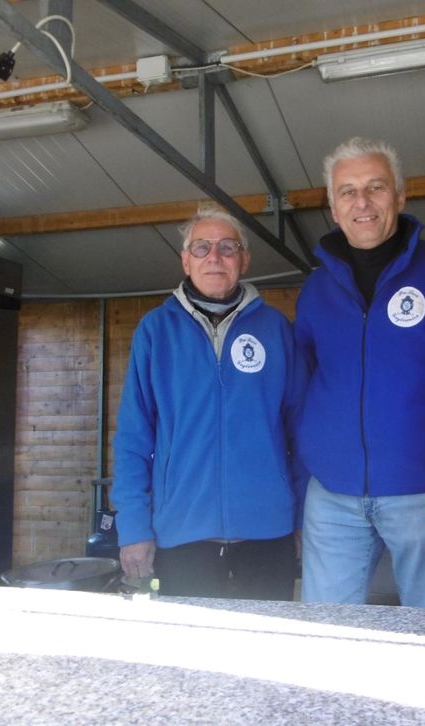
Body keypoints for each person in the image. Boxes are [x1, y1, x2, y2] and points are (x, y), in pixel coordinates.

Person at [294, 137, 425, 607]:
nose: (362, 202)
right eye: (347, 191)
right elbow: (307, 380)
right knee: (325, 631)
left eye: (376, 187)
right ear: (333, 208)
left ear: (400, 196)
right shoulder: (315, 289)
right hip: (332, 495)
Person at [112, 203, 306, 600]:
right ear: (186, 260)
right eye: (201, 247)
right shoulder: (155, 331)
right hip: (182, 534)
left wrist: (303, 518)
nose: (214, 256)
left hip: (268, 532)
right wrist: (133, 528)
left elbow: (302, 432)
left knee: (268, 637)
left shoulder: (276, 330)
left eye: (227, 247)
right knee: (191, 640)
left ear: (244, 260)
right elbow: (133, 438)